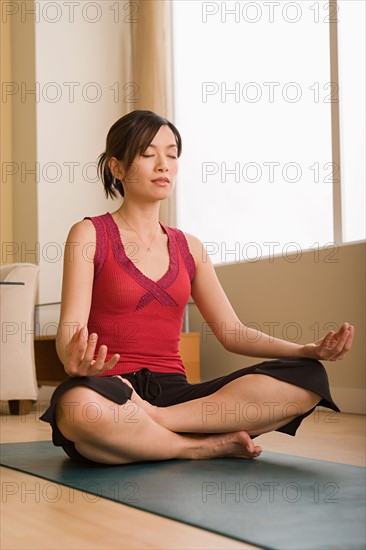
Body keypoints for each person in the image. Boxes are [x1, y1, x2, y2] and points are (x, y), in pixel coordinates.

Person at [40, 110, 354, 465]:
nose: (164, 165)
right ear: (116, 167)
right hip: (110, 387)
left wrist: (305, 350)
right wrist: (75, 360)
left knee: (308, 378)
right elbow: (70, 332)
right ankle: (200, 446)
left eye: (172, 154)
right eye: (147, 154)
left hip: (178, 397)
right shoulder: (89, 234)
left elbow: (233, 332)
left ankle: (155, 426)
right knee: (77, 407)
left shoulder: (190, 247)